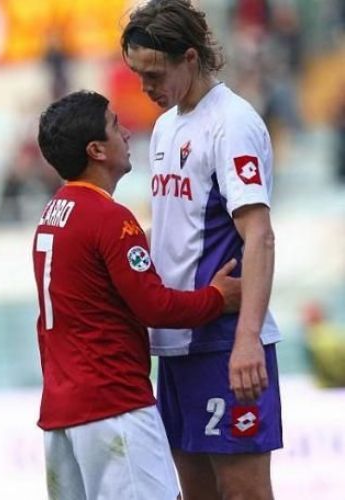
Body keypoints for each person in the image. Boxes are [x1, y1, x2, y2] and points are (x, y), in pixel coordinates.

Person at [32, 90, 241, 500]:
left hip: (61, 411)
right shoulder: (109, 218)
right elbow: (154, 306)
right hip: (113, 405)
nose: (126, 133)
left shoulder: (53, 213)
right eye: (115, 125)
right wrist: (218, 297)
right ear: (96, 150)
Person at [120, 1, 283, 499]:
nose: (145, 87)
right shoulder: (166, 126)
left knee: (244, 492)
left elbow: (259, 234)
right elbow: (176, 227)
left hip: (224, 343)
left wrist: (247, 338)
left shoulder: (232, 122)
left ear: (190, 58)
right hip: (176, 344)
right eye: (138, 74)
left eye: (154, 74)